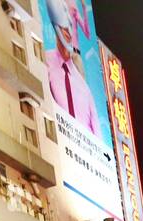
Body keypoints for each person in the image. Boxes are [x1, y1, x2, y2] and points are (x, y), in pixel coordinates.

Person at [43, 0, 102, 135]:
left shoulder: (74, 6)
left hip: (75, 55)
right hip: (61, 55)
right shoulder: (59, 7)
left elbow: (87, 32)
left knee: (81, 98)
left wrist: (84, 8)